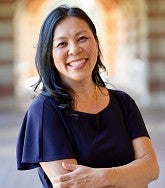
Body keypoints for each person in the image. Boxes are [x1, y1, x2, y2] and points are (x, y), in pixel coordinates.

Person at [16, 4, 159, 188]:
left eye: (82, 38)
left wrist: (102, 178)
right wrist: (131, 176)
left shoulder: (124, 103)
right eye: (62, 44)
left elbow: (151, 169)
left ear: (96, 43)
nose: (74, 50)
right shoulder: (44, 111)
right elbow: (72, 186)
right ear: (49, 54)